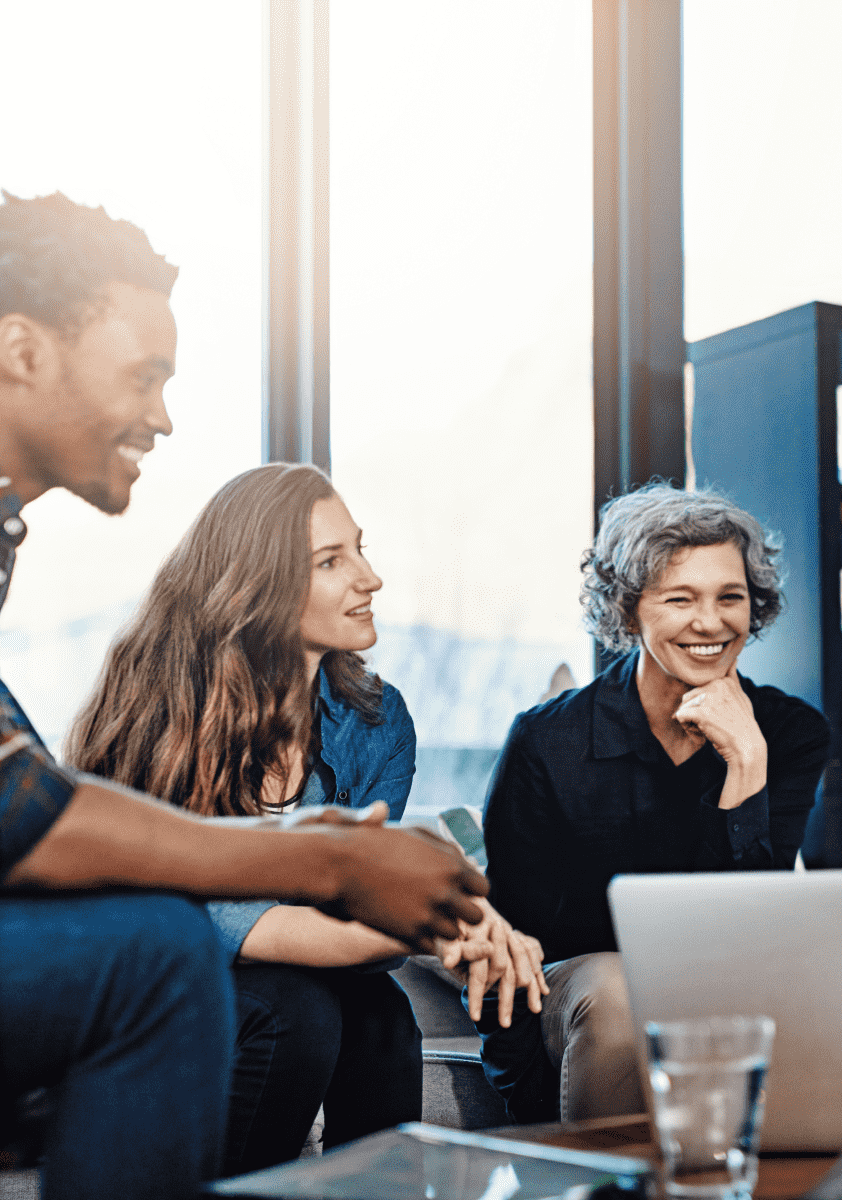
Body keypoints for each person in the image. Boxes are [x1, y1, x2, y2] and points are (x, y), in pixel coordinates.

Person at [0, 191, 495, 1200]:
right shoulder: (164, 690)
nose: (163, 414)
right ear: (23, 350)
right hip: (226, 960)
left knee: (349, 1010)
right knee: (158, 953)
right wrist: (329, 856)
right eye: (143, 375)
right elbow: (27, 818)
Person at [63, 462, 547, 1174]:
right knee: (294, 1008)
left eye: (361, 548)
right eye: (331, 560)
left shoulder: (375, 722)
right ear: (256, 585)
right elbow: (240, 924)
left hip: (304, 975)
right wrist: (445, 922)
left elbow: (369, 922)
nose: (369, 578)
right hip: (164, 974)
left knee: (381, 1015)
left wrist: (447, 914)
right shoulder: (160, 712)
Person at [477, 483, 831, 1122]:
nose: (710, 622)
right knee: (616, 988)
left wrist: (747, 766)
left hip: (727, 990)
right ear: (627, 608)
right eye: (680, 599)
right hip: (577, 999)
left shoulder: (789, 732)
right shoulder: (546, 739)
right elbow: (512, 939)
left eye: (730, 597)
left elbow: (754, 931)